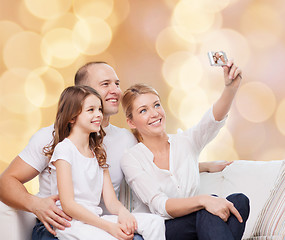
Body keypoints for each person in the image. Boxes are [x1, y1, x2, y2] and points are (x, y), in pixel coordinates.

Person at [0, 62, 144, 240]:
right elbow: (6, 181)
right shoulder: (51, 138)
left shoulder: (126, 139)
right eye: (105, 84)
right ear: (82, 91)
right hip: (60, 226)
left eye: (117, 83)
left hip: (101, 226)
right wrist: (35, 204)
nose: (115, 90)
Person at [120, 60, 250, 240]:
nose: (154, 113)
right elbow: (160, 205)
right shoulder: (132, 159)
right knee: (208, 207)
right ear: (131, 122)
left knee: (239, 201)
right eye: (143, 111)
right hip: (163, 229)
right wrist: (203, 200)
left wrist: (230, 88)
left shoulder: (185, 143)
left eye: (156, 105)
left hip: (198, 223)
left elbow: (211, 122)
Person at [44, 85, 165, 240]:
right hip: (71, 224)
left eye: (100, 109)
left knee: (155, 222)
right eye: (91, 110)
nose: (98, 115)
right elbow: (68, 205)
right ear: (72, 117)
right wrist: (110, 227)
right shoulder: (64, 150)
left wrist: (123, 214)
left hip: (95, 219)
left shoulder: (97, 153)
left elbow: (111, 201)